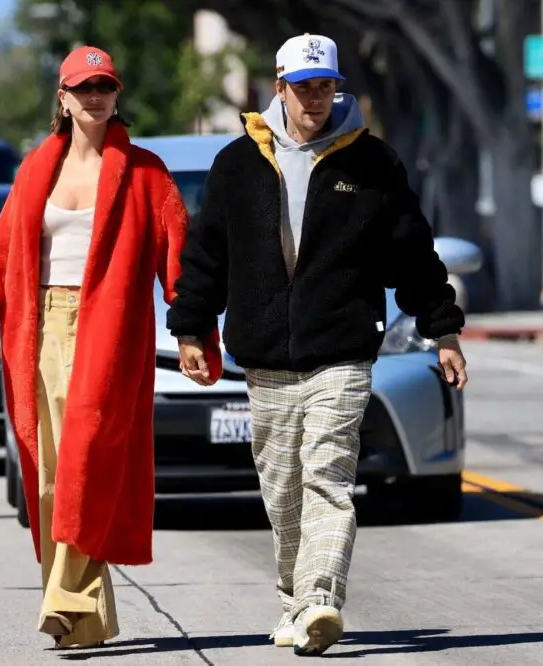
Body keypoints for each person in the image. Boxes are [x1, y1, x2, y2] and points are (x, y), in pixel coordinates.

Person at [0, 45, 222, 649]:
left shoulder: (146, 174)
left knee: (85, 464)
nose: (95, 96)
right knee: (48, 479)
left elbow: (181, 266)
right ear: (63, 98)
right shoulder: (34, 173)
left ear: (116, 95)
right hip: (38, 332)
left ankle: (65, 598)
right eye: (84, 87)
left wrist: (193, 331)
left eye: (105, 86)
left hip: (109, 337)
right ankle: (84, 622)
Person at [166, 33, 469, 656]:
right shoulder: (237, 164)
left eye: (326, 86)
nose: (316, 99)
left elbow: (412, 252)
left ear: (338, 86)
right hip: (266, 356)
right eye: (304, 88)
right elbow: (205, 256)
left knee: (328, 478)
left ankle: (321, 599)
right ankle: (294, 599)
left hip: (343, 350)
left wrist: (443, 329)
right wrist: (191, 326)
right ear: (278, 87)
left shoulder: (373, 164)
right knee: (282, 490)